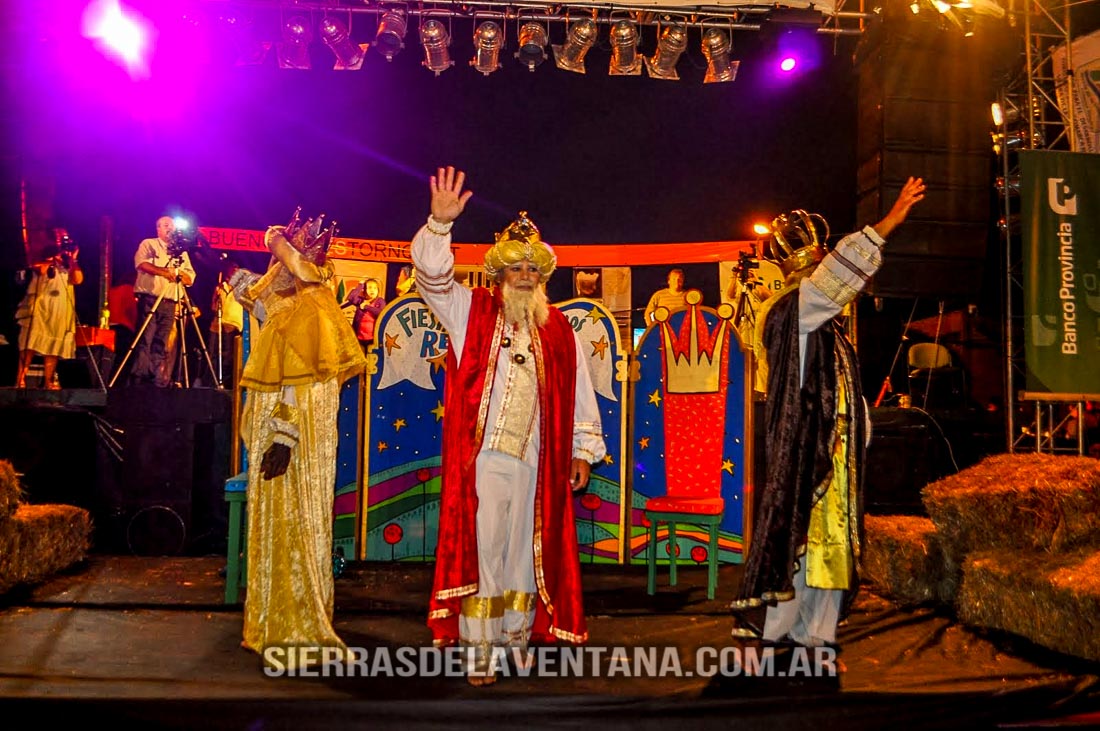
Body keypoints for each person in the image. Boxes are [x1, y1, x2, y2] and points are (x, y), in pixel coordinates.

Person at [412, 166, 607, 686]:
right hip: (484, 460)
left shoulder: (560, 328)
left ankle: (516, 638)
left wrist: (583, 450)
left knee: (526, 549)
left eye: (532, 269)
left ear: (542, 277)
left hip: (540, 462)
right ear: (498, 274)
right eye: (515, 267)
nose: (524, 274)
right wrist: (438, 225)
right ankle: (480, 649)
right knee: (486, 550)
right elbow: (431, 278)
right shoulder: (468, 311)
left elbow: (581, 394)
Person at [730, 177, 926, 650]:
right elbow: (833, 284)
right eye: (820, 261)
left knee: (832, 545)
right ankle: (781, 631)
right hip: (807, 450)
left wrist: (856, 431)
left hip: (834, 451)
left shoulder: (824, 323)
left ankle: (817, 636)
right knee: (799, 539)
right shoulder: (792, 309)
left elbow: (838, 386)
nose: (825, 268)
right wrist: (885, 225)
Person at [230, 209, 366, 671]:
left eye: (285, 262)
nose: (278, 272)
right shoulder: (284, 304)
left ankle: (299, 622)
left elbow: (297, 381)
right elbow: (252, 295)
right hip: (273, 433)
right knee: (273, 521)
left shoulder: (313, 307)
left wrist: (284, 436)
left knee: (296, 520)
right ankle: (271, 620)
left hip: (290, 438)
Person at [129, 216, 196, 387]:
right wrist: (164, 272)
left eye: (172, 226)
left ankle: (157, 378)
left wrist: (179, 274)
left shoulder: (181, 253)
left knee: (162, 341)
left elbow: (190, 278)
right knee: (146, 338)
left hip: (170, 302)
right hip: (151, 298)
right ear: (158, 228)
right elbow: (141, 264)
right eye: (166, 225)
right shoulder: (149, 244)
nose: (170, 229)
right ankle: (139, 376)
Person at [14, 228, 83, 389]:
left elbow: (78, 279)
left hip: (59, 308)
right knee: (30, 343)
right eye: (59, 239)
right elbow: (41, 269)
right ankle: (20, 380)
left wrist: (73, 260)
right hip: (41, 306)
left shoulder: (68, 262)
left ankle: (48, 381)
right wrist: (54, 258)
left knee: (53, 346)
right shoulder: (43, 258)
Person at [201, 259, 244, 388]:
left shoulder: (242, 288)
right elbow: (213, 307)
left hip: (234, 325)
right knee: (213, 353)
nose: (234, 275)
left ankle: (226, 382)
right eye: (232, 272)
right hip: (218, 324)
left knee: (229, 357)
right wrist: (216, 297)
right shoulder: (220, 287)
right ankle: (210, 382)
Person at [342, 277, 386, 348]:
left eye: (375, 288)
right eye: (369, 287)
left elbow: (381, 313)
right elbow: (351, 298)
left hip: (373, 340)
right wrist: (360, 285)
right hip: (359, 339)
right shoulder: (361, 301)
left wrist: (366, 307)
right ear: (364, 290)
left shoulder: (380, 301)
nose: (372, 290)